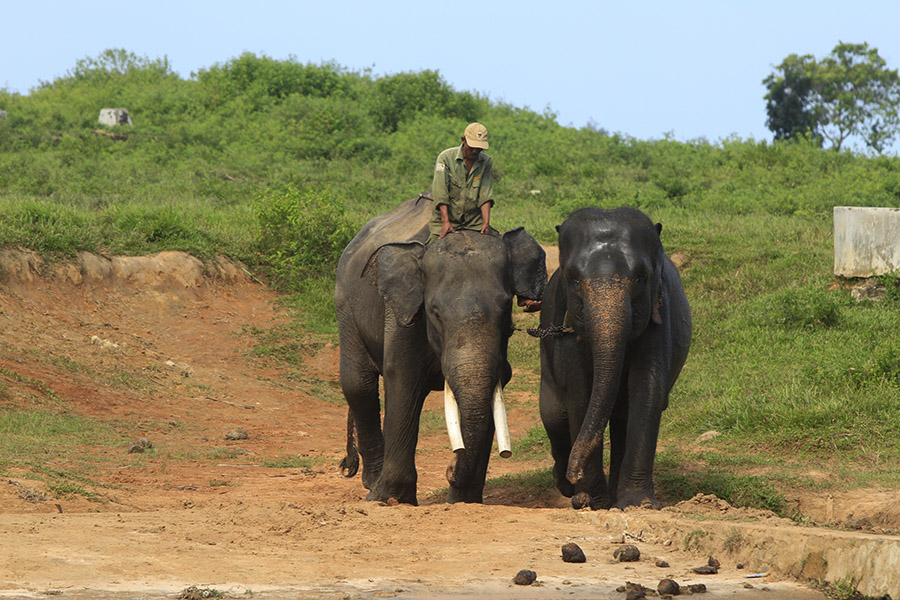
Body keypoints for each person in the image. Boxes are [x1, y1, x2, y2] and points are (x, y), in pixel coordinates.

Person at [427, 122, 497, 244]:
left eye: (479, 148)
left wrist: (486, 223)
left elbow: (485, 195)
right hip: (448, 219)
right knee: (429, 251)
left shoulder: (486, 161)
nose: (475, 151)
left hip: (474, 221)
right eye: (472, 147)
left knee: (500, 245)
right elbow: (441, 193)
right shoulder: (445, 158)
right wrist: (445, 222)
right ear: (463, 140)